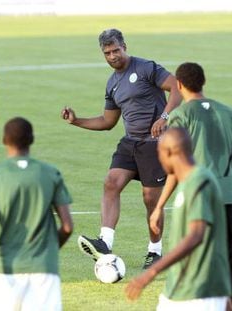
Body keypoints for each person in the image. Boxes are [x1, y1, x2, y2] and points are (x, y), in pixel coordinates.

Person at [150, 62, 232, 310]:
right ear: (203, 82)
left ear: (180, 85)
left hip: (196, 200)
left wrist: (159, 206)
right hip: (227, 199)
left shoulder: (181, 116)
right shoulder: (228, 113)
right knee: (230, 261)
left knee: (194, 260)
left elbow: (177, 166)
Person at [61, 28, 182, 268]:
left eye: (116, 50)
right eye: (108, 53)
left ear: (124, 46)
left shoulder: (146, 68)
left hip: (155, 144)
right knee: (111, 182)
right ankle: (105, 241)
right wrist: (76, 121)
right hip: (130, 143)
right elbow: (107, 122)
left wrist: (164, 116)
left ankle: (155, 251)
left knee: (150, 200)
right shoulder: (112, 83)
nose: (113, 56)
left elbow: (177, 88)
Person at [0, 117, 74, 310]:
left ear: (4, 140)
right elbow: (67, 227)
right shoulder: (50, 174)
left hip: (5, 271)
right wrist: (48, 250)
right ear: (31, 139)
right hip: (44, 270)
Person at [126, 127, 232, 310]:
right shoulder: (188, 182)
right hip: (178, 289)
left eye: (159, 152)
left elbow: (196, 235)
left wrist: (151, 272)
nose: (159, 159)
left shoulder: (199, 182)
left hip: (198, 293)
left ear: (169, 152)